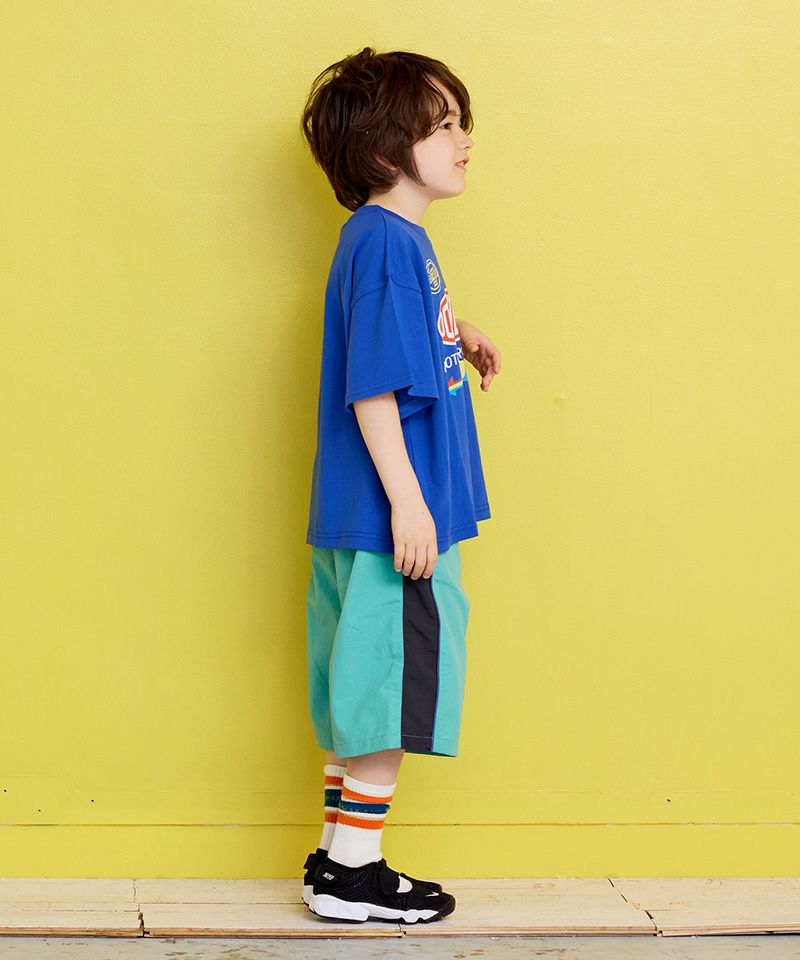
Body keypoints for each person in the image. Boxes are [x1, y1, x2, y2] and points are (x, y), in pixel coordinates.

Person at [298, 46, 501, 925]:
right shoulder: (387, 241)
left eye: (462, 123)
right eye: (444, 125)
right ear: (386, 150)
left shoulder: (385, 240)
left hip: (357, 518)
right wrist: (410, 503)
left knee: (362, 684)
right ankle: (352, 875)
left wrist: (459, 332)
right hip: (392, 523)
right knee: (392, 690)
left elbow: (387, 333)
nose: (465, 140)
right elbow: (372, 387)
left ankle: (336, 860)